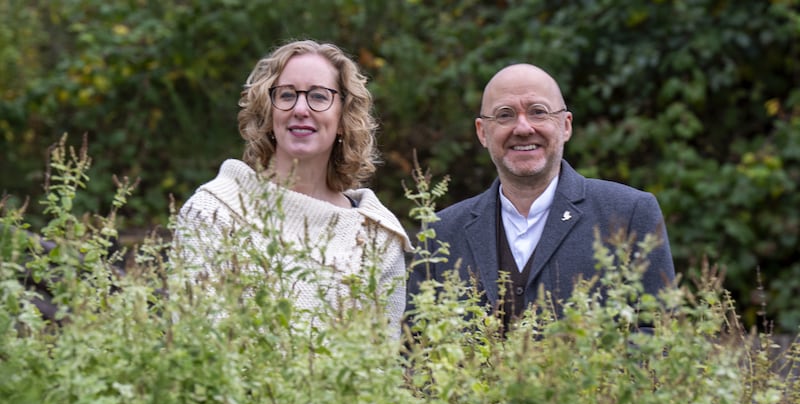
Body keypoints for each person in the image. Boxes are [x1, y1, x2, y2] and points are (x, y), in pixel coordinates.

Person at [407, 63, 675, 331]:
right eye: (505, 115)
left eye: (538, 112)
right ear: (482, 132)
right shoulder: (440, 233)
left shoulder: (628, 214)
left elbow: (657, 335)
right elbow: (416, 348)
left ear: (565, 125)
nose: (523, 128)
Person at [173, 40, 411, 333]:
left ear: (343, 118)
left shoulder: (377, 238)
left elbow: (380, 365)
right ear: (268, 113)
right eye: (286, 95)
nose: (300, 108)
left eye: (319, 96)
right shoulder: (213, 212)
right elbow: (198, 342)